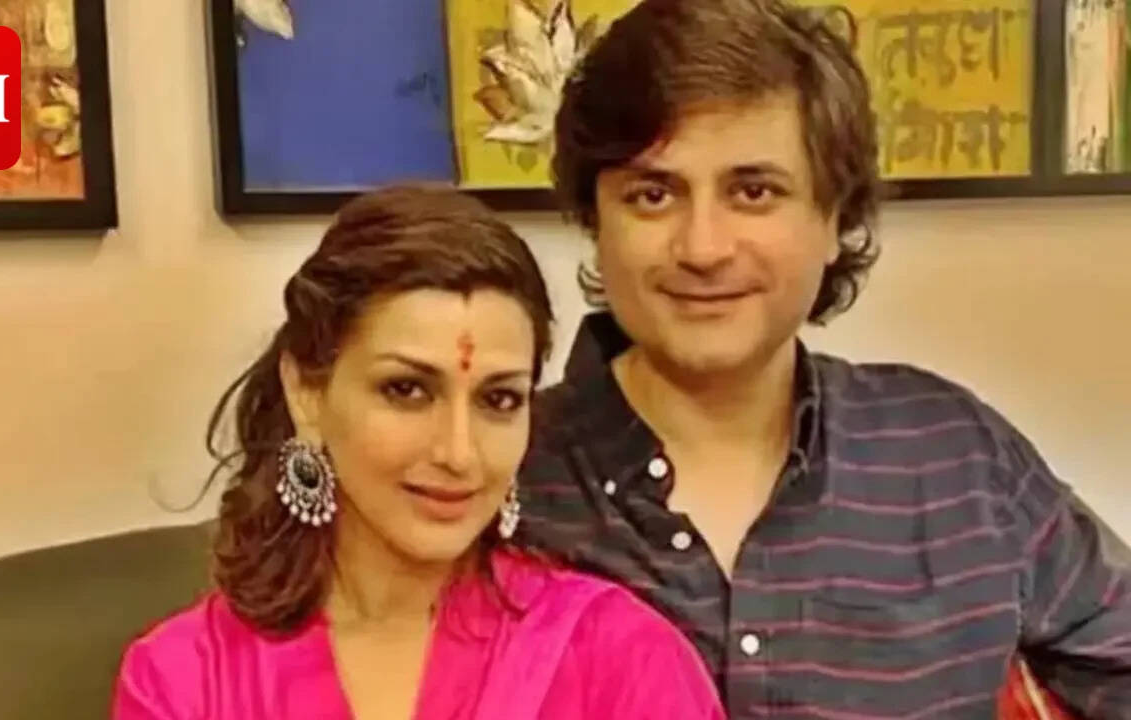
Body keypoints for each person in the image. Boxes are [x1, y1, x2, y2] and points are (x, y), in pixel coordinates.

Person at [517, 0, 1131, 718]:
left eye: (754, 192)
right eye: (653, 195)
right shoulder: (496, 478)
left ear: (835, 216)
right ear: (596, 221)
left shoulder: (956, 459)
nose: (703, 247)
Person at [112, 186, 725, 720]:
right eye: (406, 390)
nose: (459, 453)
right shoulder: (188, 680)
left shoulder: (619, 657)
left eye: (498, 400)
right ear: (307, 392)